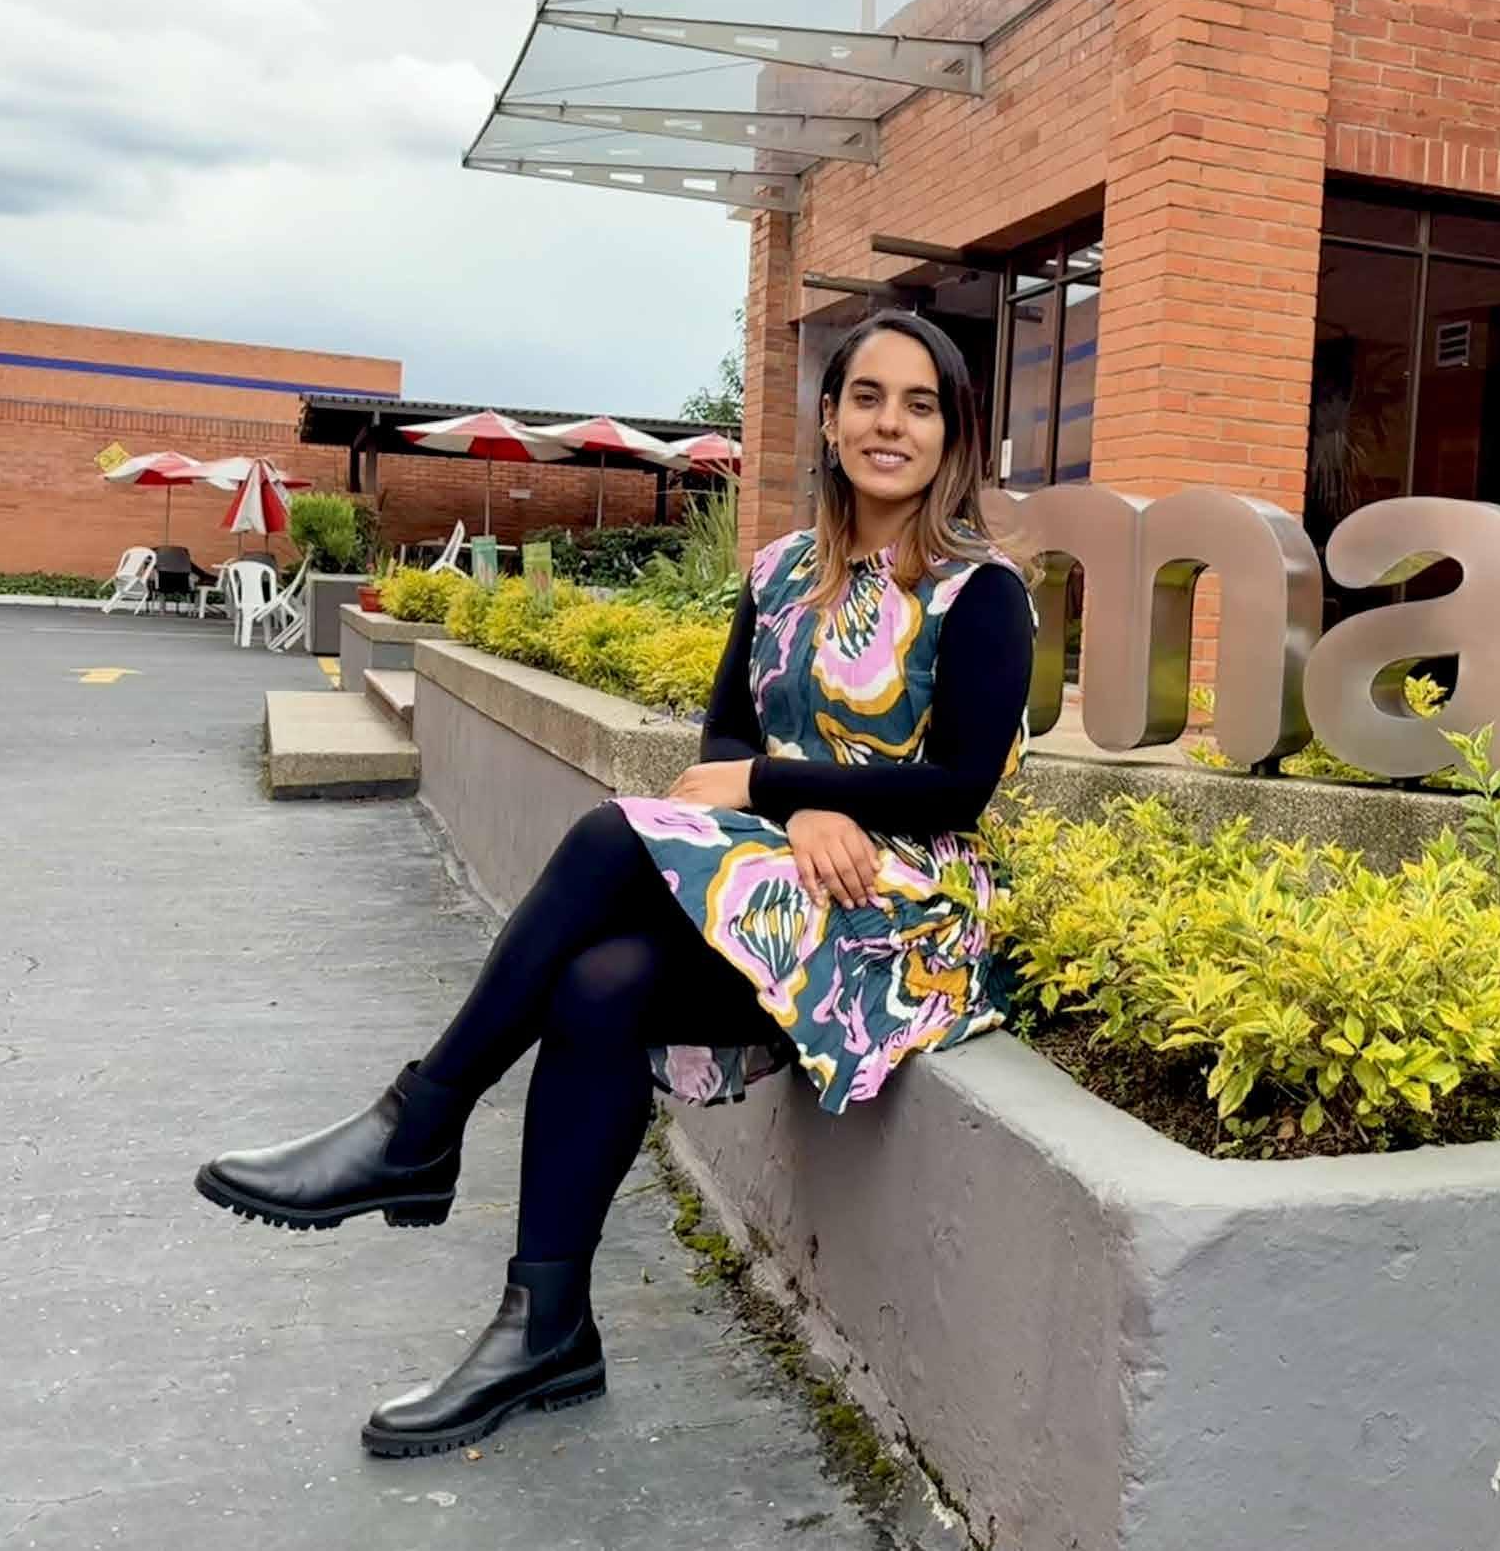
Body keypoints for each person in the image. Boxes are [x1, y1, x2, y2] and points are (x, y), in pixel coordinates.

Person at [195, 309, 1036, 1458]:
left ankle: (419, 1124)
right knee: (599, 986)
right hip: (791, 878)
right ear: (831, 421)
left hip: (905, 920)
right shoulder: (779, 574)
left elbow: (957, 788)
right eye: (869, 398)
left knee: (608, 840)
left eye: (921, 404)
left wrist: (780, 787)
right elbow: (725, 738)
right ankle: (546, 1327)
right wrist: (804, 803)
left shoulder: (978, 590)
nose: (892, 424)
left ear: (954, 434)